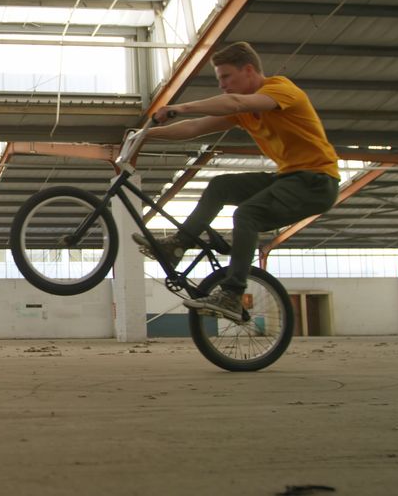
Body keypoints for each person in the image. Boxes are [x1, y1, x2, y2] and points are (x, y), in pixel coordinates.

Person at [133, 41, 339, 321]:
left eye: (226, 77)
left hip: (317, 182)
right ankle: (177, 245)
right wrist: (144, 136)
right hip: (288, 179)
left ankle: (232, 294)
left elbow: (235, 102)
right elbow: (195, 128)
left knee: (247, 214)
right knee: (221, 186)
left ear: (249, 70)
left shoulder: (281, 90)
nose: (222, 85)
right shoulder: (242, 111)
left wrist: (181, 106)